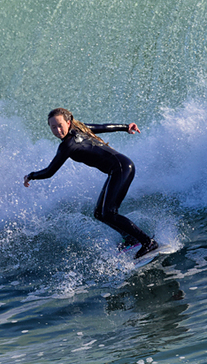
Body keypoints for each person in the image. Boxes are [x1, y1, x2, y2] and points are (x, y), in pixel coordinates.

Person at [24, 107, 159, 259]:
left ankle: (148, 242)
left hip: (121, 168)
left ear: (68, 123)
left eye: (60, 125)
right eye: (53, 127)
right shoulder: (78, 128)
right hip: (119, 169)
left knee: (109, 213)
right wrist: (125, 127)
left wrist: (31, 176)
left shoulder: (67, 145)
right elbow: (104, 127)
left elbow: (49, 171)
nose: (57, 130)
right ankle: (131, 238)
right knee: (99, 213)